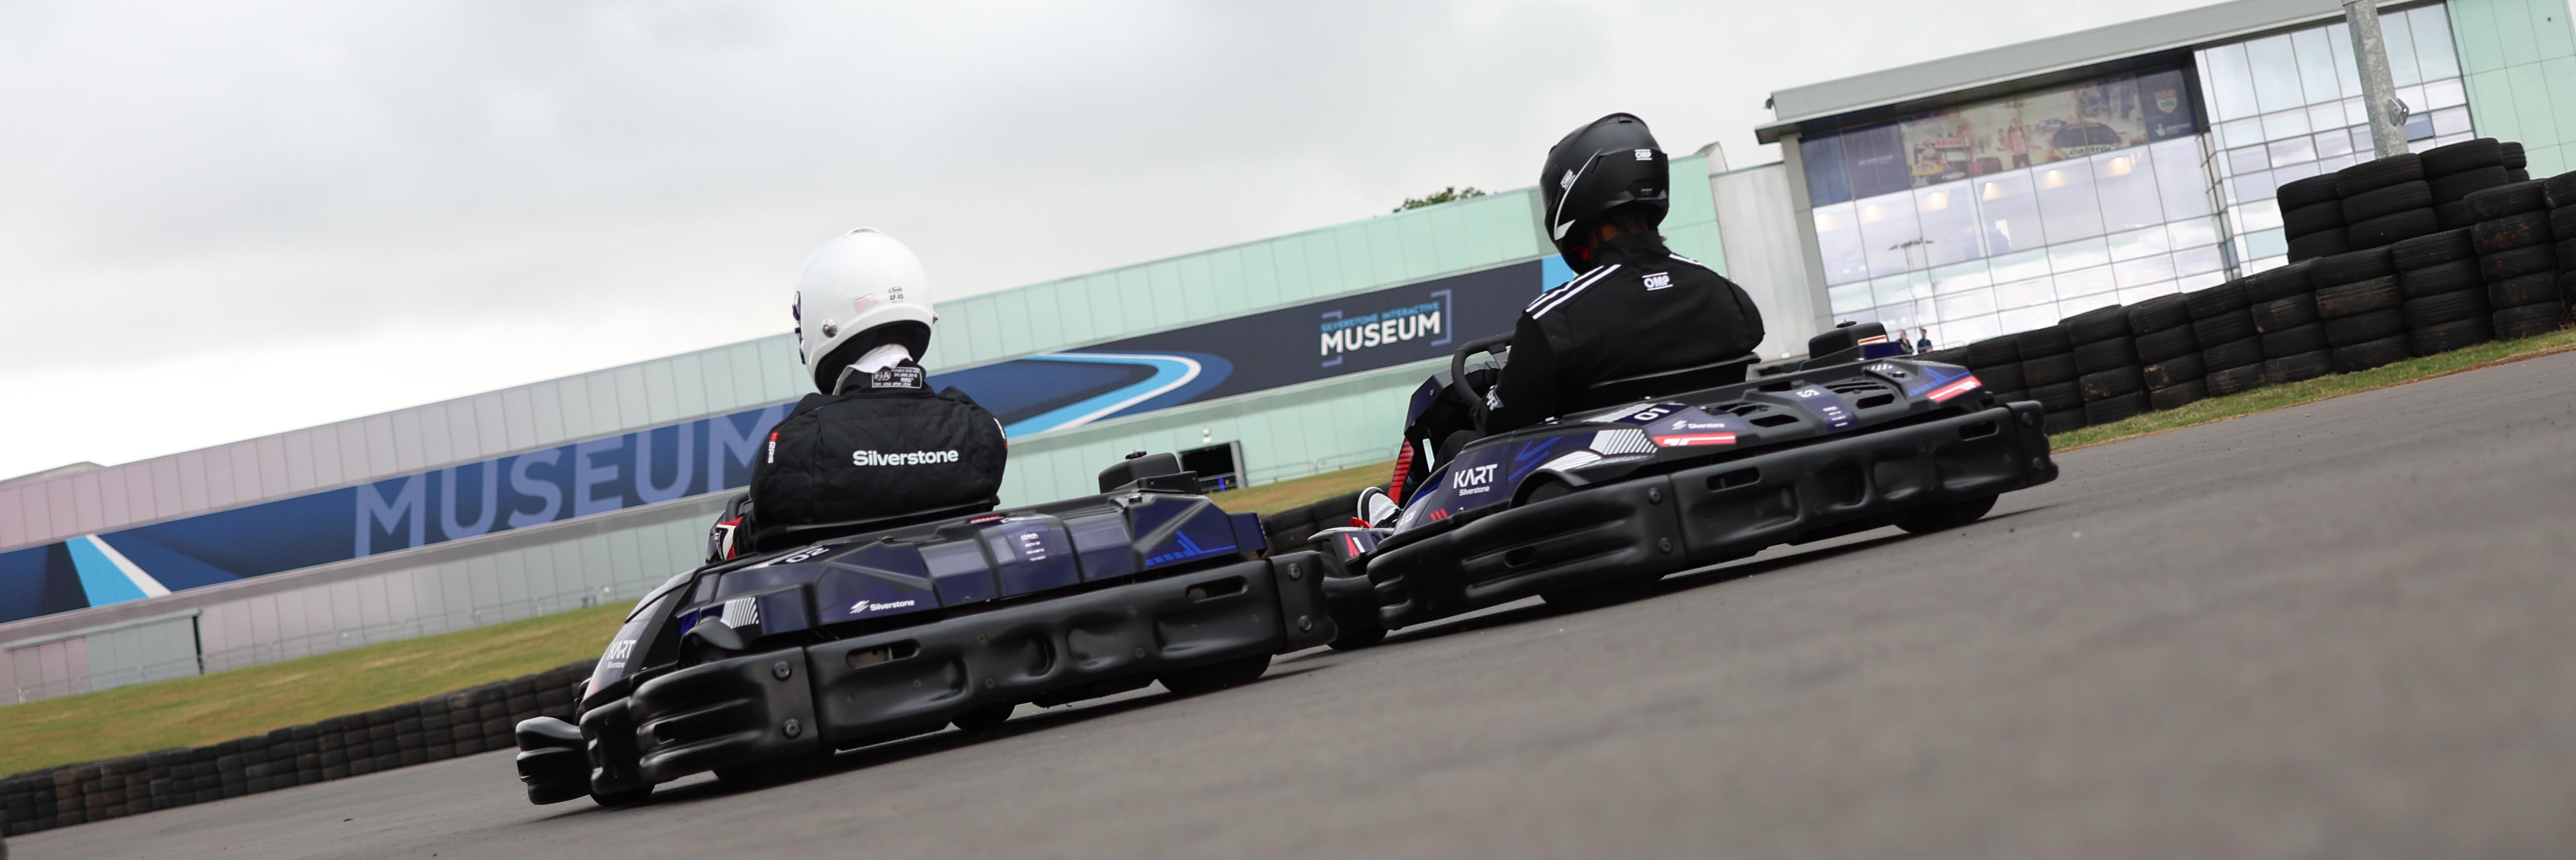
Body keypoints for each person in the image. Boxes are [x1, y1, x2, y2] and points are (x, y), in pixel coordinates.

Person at [714, 229, 1008, 558]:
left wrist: (728, 538)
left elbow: (757, 541)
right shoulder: (980, 429)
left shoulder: (795, 443)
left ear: (824, 321)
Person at [1480, 113, 1765, 434]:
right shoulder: (1725, 293)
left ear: (1572, 195)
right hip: (1728, 458)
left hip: (1606, 477)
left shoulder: (1555, 320)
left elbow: (1500, 420)